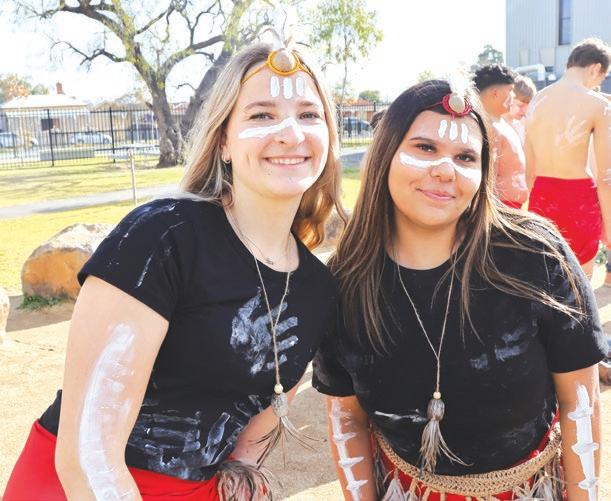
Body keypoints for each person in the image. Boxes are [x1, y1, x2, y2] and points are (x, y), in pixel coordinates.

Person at [3, 42, 344, 500]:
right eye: (262, 114)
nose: (290, 133)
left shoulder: (317, 289)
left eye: (308, 114)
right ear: (223, 141)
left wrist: (241, 478)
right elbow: (88, 456)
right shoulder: (161, 236)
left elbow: (252, 438)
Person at [312, 79, 606, 500]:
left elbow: (581, 400)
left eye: (466, 157)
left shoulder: (535, 255)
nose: (446, 170)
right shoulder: (346, 280)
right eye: (425, 148)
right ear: (385, 155)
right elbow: (346, 417)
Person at [526, 38, 611, 277]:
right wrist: (609, 225)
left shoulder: (536, 101)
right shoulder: (598, 105)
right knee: (579, 287)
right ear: (596, 68)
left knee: (543, 282)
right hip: (578, 200)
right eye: (602, 78)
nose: (598, 85)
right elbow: (606, 177)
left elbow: (529, 172)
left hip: (541, 197)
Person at [473, 64, 528, 209]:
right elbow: (488, 177)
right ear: (495, 93)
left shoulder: (500, 123)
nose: (513, 96)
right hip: (500, 208)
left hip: (511, 208)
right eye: (510, 91)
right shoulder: (489, 127)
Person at [503, 74, 537, 144]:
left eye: (528, 107)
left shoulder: (524, 125)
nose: (524, 111)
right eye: (520, 106)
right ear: (508, 99)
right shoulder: (496, 126)